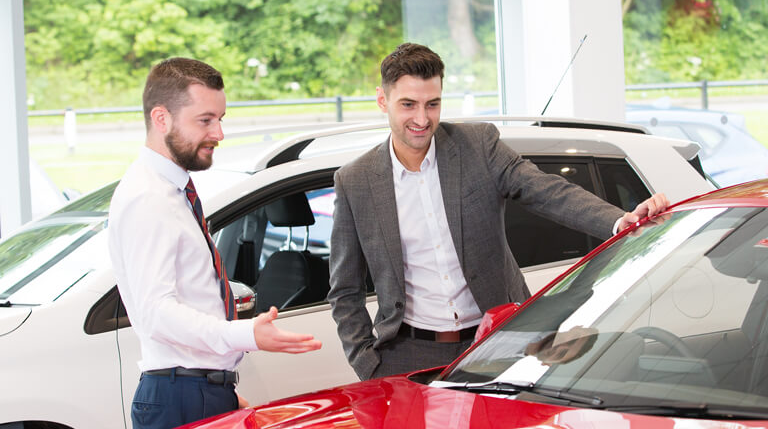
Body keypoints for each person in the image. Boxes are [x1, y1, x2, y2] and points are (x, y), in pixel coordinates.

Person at [327, 43, 668, 380]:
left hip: (498, 341)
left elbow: (547, 191)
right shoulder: (355, 180)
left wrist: (618, 220)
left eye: (432, 104)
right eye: (408, 105)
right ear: (382, 99)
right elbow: (345, 289)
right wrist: (368, 364)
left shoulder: (478, 145)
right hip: (408, 355)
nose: (422, 118)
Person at [108, 57, 322, 429]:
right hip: (181, 395)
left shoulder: (173, 192)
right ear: (162, 118)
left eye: (220, 119)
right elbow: (155, 312)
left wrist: (219, 388)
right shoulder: (149, 197)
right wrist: (245, 334)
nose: (219, 133)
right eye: (205, 120)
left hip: (196, 390)